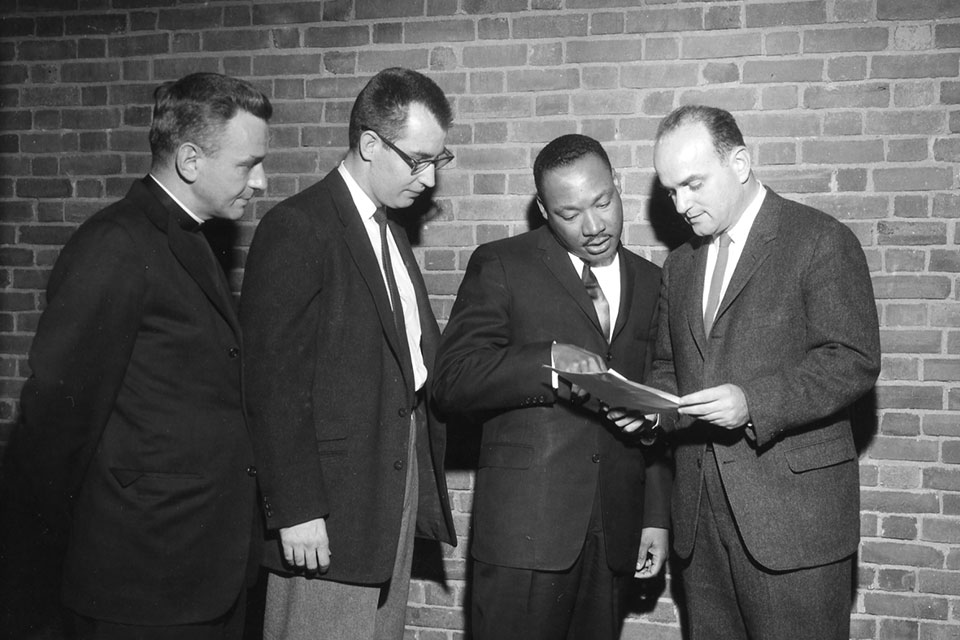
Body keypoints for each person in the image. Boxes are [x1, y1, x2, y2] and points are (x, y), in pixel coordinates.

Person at [0, 72, 271, 639]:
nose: (262, 181)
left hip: (199, 574)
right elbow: (53, 428)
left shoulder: (192, 238)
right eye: (249, 165)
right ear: (191, 160)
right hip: (139, 583)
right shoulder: (116, 244)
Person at [649, 104, 881, 640]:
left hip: (793, 523)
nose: (681, 204)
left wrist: (753, 402)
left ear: (740, 162)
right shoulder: (680, 265)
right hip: (701, 521)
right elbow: (668, 364)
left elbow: (852, 358)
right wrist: (652, 407)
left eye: (693, 184)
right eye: (670, 191)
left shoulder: (820, 240)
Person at [240, 67, 457, 640]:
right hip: (326, 507)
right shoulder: (298, 227)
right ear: (368, 144)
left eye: (439, 159)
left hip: (390, 487)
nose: (430, 178)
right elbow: (272, 383)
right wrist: (295, 508)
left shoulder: (390, 230)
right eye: (418, 159)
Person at [433, 134, 672, 640]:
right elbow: (451, 381)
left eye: (603, 202)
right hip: (526, 535)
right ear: (543, 210)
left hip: (615, 533)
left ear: (618, 186)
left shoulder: (654, 283)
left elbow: (651, 403)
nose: (593, 226)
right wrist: (546, 360)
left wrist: (655, 516)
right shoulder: (502, 264)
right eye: (569, 213)